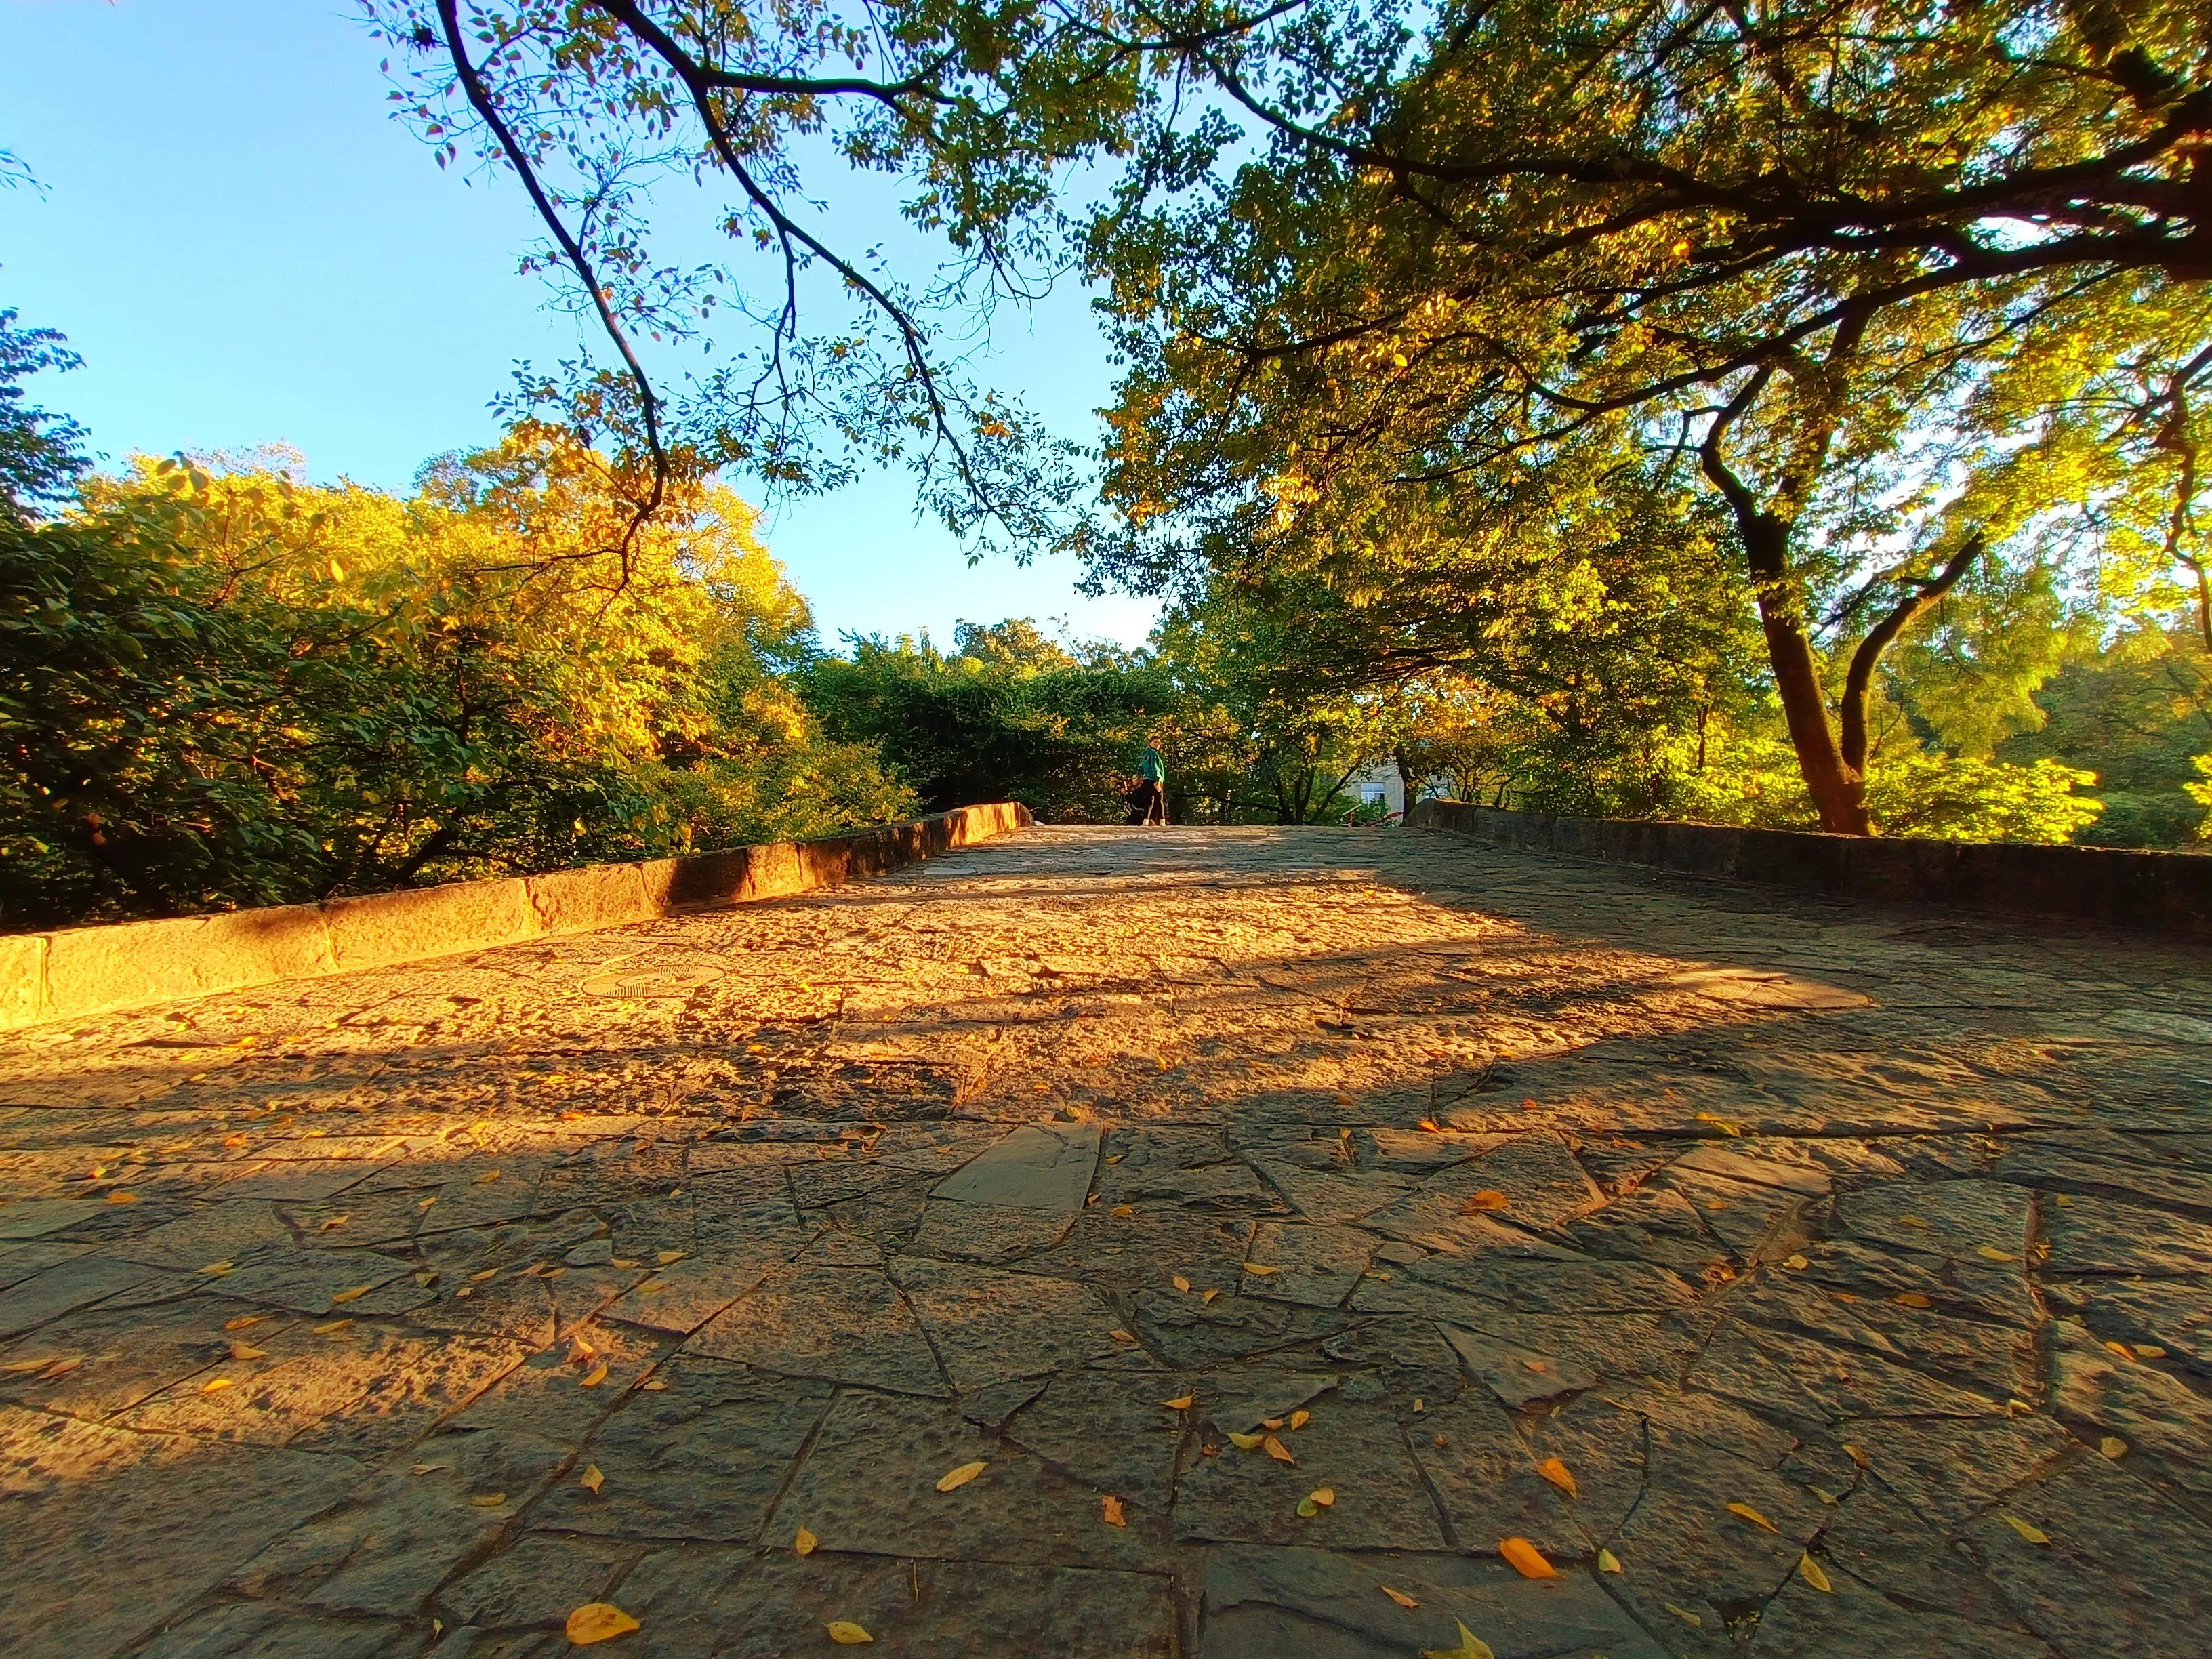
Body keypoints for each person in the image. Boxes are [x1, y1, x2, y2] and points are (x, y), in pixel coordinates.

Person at [1130, 741, 1168, 825]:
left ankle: (1146, 820)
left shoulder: (1146, 754)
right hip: (1154, 780)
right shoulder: (1153, 754)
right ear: (1150, 743)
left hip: (1147, 780)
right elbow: (1156, 768)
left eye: (1158, 743)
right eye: (1155, 742)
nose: (1157, 744)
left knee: (1149, 800)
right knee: (1159, 800)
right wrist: (1158, 780)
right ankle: (1162, 820)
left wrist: (1140, 774)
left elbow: (1141, 766)